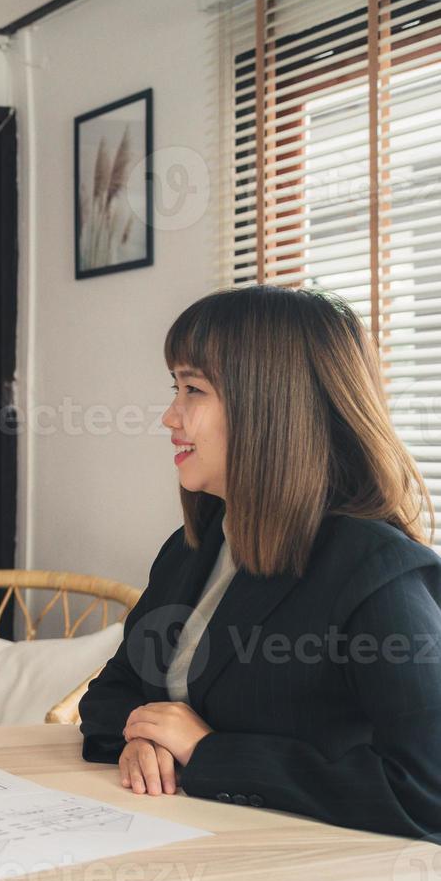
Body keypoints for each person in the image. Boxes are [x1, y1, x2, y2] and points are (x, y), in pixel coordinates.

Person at [80, 285, 441, 838]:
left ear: (270, 405)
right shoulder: (192, 548)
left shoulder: (377, 572)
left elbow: (425, 793)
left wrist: (208, 754)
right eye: (174, 388)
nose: (168, 417)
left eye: (192, 390)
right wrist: (145, 739)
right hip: (181, 845)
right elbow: (112, 694)